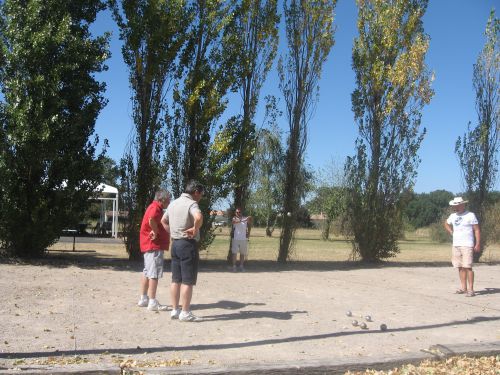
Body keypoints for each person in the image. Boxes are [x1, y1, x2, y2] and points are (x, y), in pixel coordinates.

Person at [161, 180, 204, 322]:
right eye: (201, 194)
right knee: (188, 280)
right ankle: (185, 312)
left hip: (175, 244)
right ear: (196, 192)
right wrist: (195, 228)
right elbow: (198, 217)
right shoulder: (192, 204)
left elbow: (163, 221)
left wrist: (172, 232)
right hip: (187, 244)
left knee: (176, 279)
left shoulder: (173, 203)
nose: (201, 197)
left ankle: (174, 310)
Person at [138, 190, 171, 311]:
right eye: (168, 200)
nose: (169, 202)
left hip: (149, 245)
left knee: (147, 271)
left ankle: (144, 298)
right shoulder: (156, 208)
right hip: (154, 245)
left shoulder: (153, 206)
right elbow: (151, 219)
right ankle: (152, 301)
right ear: (162, 200)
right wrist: (156, 231)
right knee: (154, 273)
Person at [444, 197, 481, 297]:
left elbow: (476, 230)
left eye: (456, 205)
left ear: (462, 205)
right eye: (454, 205)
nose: (454, 207)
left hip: (467, 244)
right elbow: (446, 223)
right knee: (459, 267)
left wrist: (477, 243)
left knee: (468, 267)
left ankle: (471, 289)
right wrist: (451, 231)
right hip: (456, 245)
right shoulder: (452, 216)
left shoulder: (470, 215)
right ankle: (463, 288)